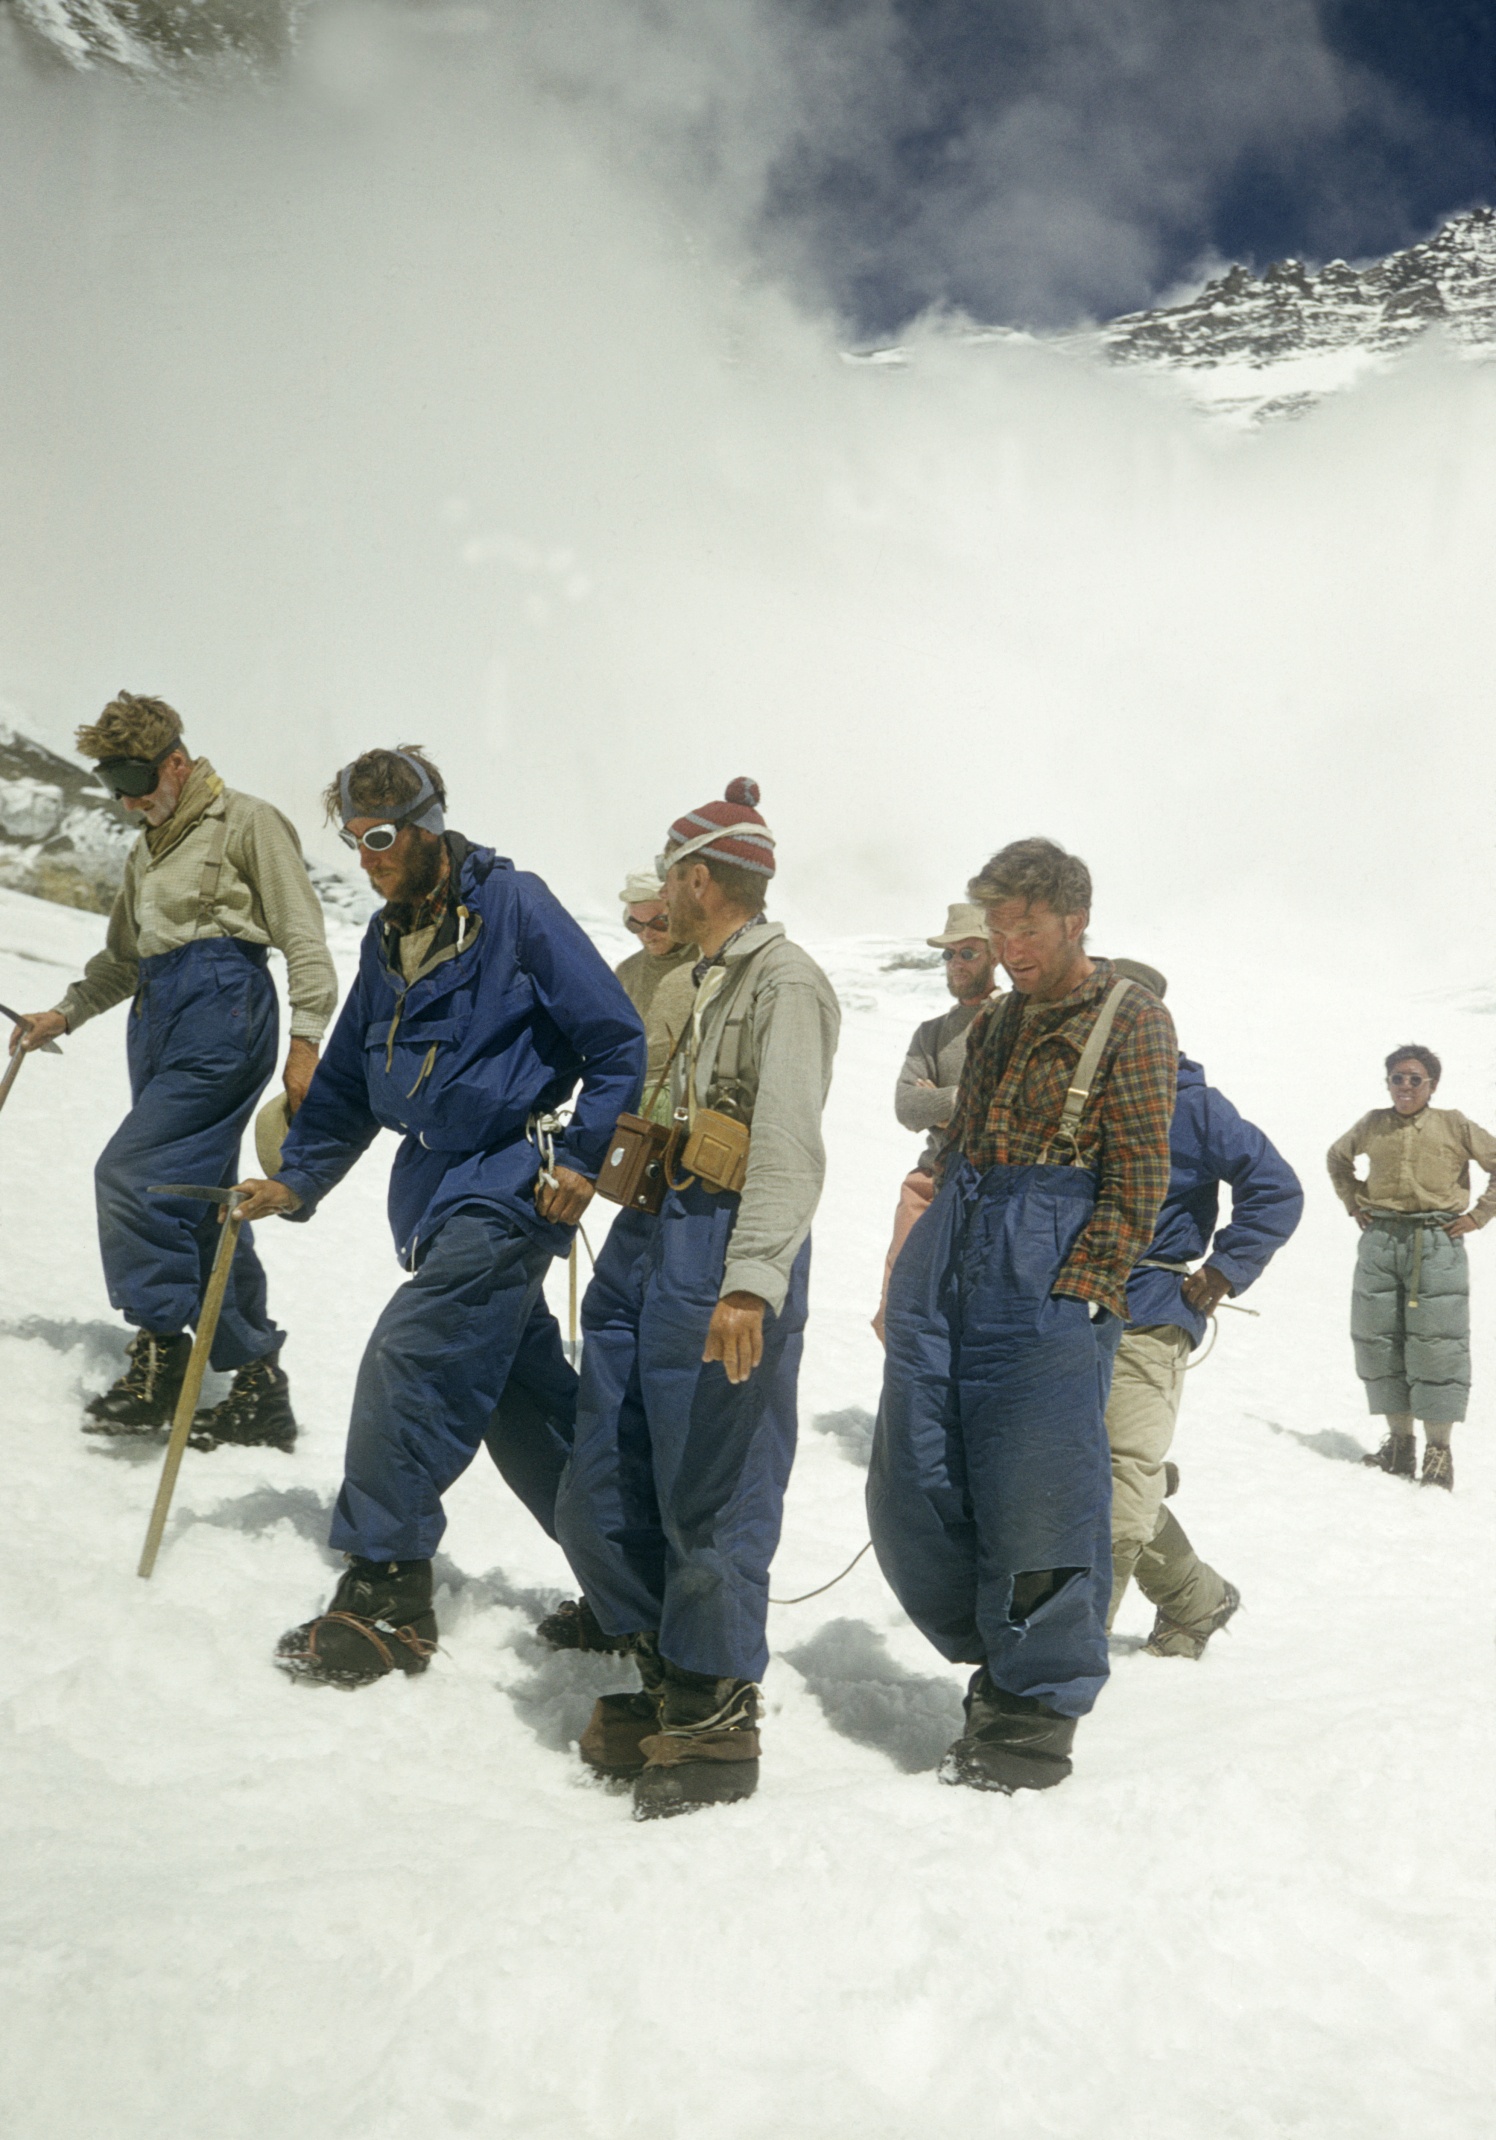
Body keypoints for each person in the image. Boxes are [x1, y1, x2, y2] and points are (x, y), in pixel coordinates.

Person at [231, 746, 646, 1685]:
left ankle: (387, 1599)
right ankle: (644, 1594)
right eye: (353, 839)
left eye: (380, 837)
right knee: (522, 1398)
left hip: (513, 1187)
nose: (366, 856)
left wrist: (583, 1159)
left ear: (427, 824)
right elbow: (341, 1085)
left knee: (414, 1354)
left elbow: (618, 1043)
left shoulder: (517, 908)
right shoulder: (391, 939)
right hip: (436, 1193)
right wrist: (296, 1180)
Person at [554, 779, 841, 1819]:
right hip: (650, 1230)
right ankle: (665, 1663)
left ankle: (716, 1705)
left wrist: (752, 1280)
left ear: (697, 879)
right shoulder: (702, 975)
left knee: (713, 1480)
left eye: (668, 877)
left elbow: (788, 1145)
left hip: (724, 1245)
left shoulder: (784, 984)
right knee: (602, 1477)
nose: (659, 898)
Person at [868, 838, 1177, 1795]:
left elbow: (1137, 1176)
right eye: (997, 929)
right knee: (912, 1475)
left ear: (1075, 920)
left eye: (1027, 928)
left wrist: (1085, 1286)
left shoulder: (1134, 1021)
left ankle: (1033, 1711)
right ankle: (992, 1655)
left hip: (1050, 1270)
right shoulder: (997, 1021)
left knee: (1041, 1498)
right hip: (959, 1246)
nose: (1009, 947)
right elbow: (955, 1143)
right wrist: (910, 1263)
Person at [7, 691, 336, 1450]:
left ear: (177, 764)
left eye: (136, 781)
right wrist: (65, 1012)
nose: (126, 801)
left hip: (226, 1014)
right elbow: (124, 958)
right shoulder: (145, 848)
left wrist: (307, 1040)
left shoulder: (247, 821)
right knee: (194, 1198)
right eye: (112, 787)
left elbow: (304, 938)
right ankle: (257, 1384)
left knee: (131, 1174)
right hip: (155, 1020)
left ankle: (160, 1352)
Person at [1104, 959, 1302, 1656]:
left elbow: (1276, 1187)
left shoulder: (1191, 1104)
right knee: (1083, 1475)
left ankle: (1053, 1676)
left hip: (1149, 1311)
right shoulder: (1065, 1093)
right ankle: (1197, 1599)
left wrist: (1225, 1267)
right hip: (1057, 1316)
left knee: (1119, 1492)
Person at [1327, 1045, 1496, 1490]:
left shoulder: (1454, 1124)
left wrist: (1479, 1215)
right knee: (1379, 1340)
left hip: (1437, 1243)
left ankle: (1439, 1454)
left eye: (1414, 1079)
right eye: (1397, 1078)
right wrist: (1354, 1202)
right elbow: (1337, 1157)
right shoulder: (1372, 1124)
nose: (1405, 1087)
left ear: (1432, 1085)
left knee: (1437, 1344)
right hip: (1380, 1241)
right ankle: (1400, 1445)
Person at [871, 902, 1000, 1342]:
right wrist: (962, 1099)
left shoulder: (1014, 1017)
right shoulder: (930, 1032)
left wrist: (941, 1102)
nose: (955, 963)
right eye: (949, 954)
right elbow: (907, 1107)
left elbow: (1007, 1105)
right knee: (901, 1313)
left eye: (968, 953)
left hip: (991, 1188)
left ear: (996, 954)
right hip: (931, 1181)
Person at [612, 869, 696, 1126]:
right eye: (636, 925)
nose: (647, 934)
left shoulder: (709, 963)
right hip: (633, 1100)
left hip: (691, 1103)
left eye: (659, 922)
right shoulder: (626, 972)